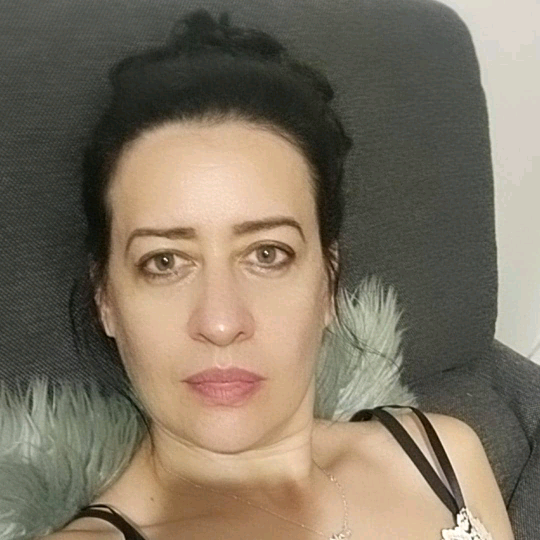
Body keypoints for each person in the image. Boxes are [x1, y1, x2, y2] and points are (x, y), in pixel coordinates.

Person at [43, 8, 514, 540]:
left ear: (328, 282)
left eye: (267, 254)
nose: (221, 322)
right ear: (106, 299)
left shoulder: (443, 457)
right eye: (165, 262)